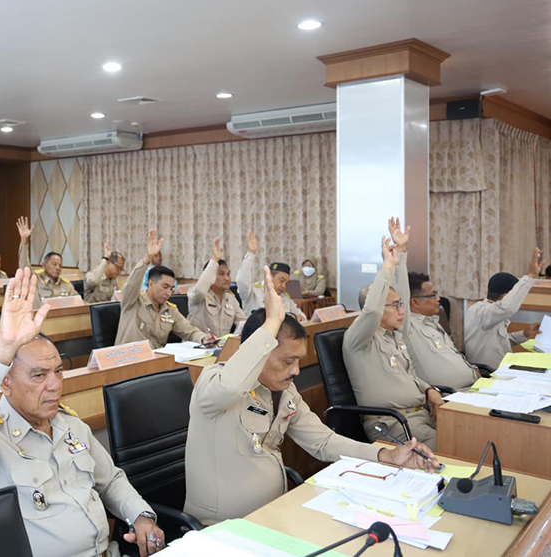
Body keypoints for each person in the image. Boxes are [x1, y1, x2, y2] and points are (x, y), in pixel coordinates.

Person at [0, 267, 166, 557]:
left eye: (58, 371)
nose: (54, 385)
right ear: (5, 382)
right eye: (38, 376)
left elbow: (110, 480)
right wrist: (3, 347)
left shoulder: (68, 423)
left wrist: (140, 516)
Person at [184, 265, 436, 525]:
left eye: (298, 362)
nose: (295, 371)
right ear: (258, 351)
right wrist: (271, 322)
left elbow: (323, 442)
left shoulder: (284, 391)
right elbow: (230, 387)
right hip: (219, 529)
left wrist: (386, 456)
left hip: (274, 515)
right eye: (287, 361)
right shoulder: (212, 384)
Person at [343, 219, 443, 448]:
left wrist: (429, 389)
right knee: (459, 450)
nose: (402, 311)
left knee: (476, 435)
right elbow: (371, 309)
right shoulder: (359, 340)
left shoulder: (395, 336)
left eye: (401, 305)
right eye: (395, 306)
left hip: (422, 415)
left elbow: (408, 376)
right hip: (394, 423)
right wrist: (386, 267)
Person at [115, 230, 215, 349]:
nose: (169, 293)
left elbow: (189, 331)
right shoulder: (132, 302)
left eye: (172, 289)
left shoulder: (170, 310)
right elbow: (132, 283)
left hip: (157, 362)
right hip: (128, 361)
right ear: (151, 283)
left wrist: (204, 338)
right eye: (165, 287)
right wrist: (148, 258)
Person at [464, 247, 546, 368]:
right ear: (505, 296)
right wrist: (531, 275)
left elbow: (500, 343)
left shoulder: (492, 312)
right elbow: (507, 308)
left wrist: (524, 334)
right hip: (487, 373)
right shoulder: (481, 311)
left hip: (504, 368)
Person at [404, 272, 479, 390]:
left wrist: (472, 371)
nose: (438, 299)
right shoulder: (408, 326)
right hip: (449, 393)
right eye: (433, 295)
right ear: (415, 302)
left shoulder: (434, 323)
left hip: (473, 386)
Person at [236, 230, 307, 321]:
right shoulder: (253, 292)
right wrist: (251, 254)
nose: (283, 286)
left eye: (287, 283)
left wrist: (298, 317)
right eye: (281, 280)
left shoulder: (285, 297)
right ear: (268, 277)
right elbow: (242, 281)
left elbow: (303, 317)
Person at [188, 238, 246, 337]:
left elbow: (243, 322)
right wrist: (214, 259)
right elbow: (200, 290)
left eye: (228, 274)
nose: (227, 278)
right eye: (221, 274)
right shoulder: (197, 294)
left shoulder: (230, 298)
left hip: (221, 347)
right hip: (197, 346)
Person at [16, 217, 77, 303]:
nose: (57, 268)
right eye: (54, 264)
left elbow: (78, 303)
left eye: (60, 265)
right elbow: (24, 266)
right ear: (44, 265)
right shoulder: (35, 280)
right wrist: (24, 241)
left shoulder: (67, 285)